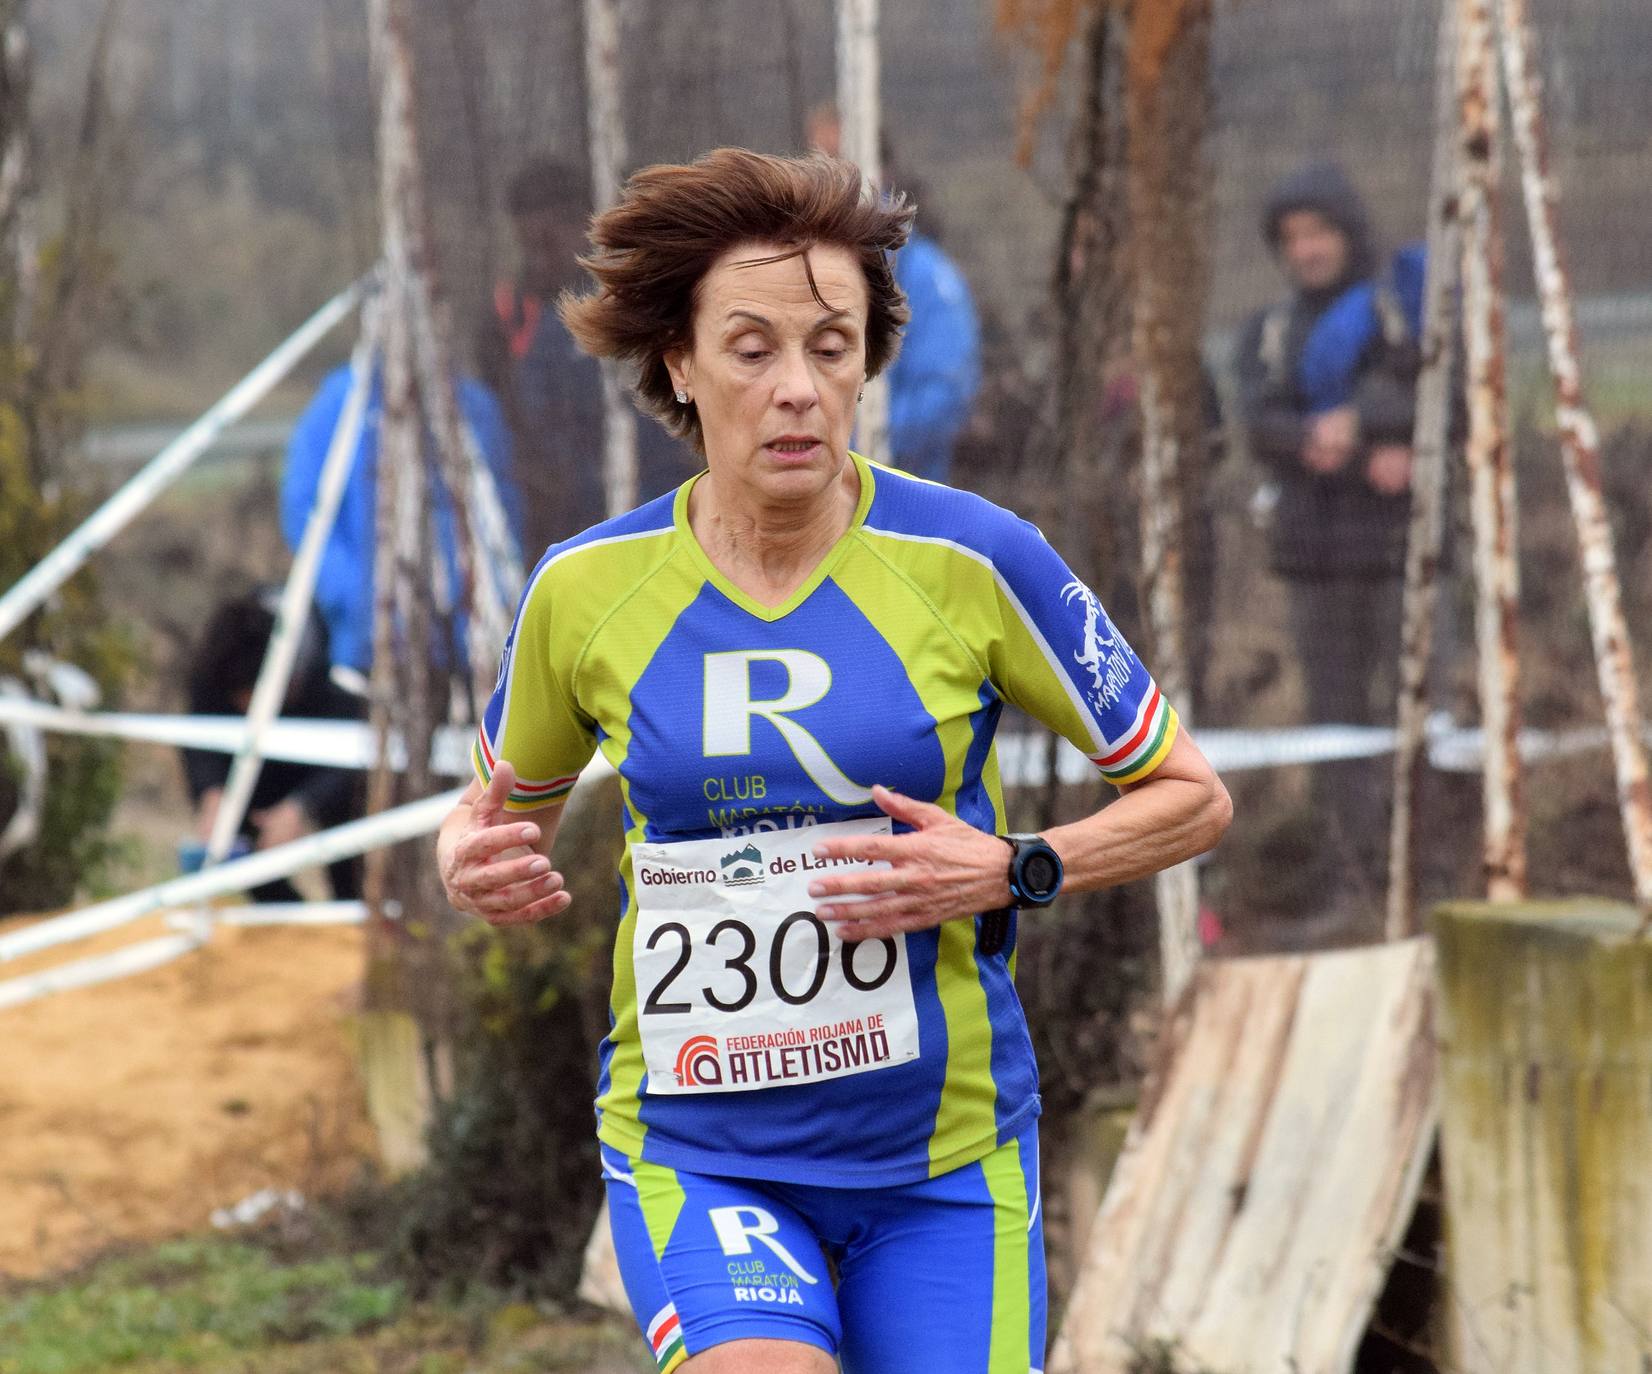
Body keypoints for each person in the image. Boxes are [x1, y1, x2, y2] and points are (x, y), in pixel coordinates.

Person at [436, 149, 1231, 1374]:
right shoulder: (583, 592)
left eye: (832, 346)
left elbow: (1189, 797)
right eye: (752, 350)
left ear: (867, 359)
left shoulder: (978, 559)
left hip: (944, 1160)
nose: (798, 388)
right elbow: (494, 813)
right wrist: (468, 857)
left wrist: (1014, 867)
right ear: (679, 365)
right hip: (701, 1150)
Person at [1234, 160, 1423, 921]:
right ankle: (1354, 880)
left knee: (1415, 716)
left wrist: (1378, 430)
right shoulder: (1274, 334)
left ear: (1348, 233)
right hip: (1314, 561)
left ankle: (1424, 874)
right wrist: (1307, 437)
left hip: (1399, 555)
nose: (1307, 250)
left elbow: (1431, 387)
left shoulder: (1397, 312)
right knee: (1336, 726)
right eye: (1293, 238)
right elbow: (1259, 416)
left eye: (1319, 233)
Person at [479, 157, 690, 551]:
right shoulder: (507, 317)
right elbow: (499, 420)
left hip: (646, 497)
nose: (542, 253)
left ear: (583, 225)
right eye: (531, 242)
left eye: (552, 236)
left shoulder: (630, 306)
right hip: (548, 514)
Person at [281, 360, 521, 685]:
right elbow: (304, 512)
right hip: (370, 652)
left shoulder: (472, 406)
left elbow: (504, 516)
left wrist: (497, 604)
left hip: (470, 650)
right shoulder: (343, 404)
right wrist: (357, 600)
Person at [806, 108, 982, 484]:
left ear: (877, 170)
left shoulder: (927, 278)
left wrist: (845, 442)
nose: (824, 181)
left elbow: (944, 395)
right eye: (814, 164)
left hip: (899, 494)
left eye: (838, 163)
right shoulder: (793, 269)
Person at [180, 588, 366, 902]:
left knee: (348, 834)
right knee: (236, 830)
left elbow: (355, 754)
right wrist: (211, 792)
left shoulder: (337, 672)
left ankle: (352, 914)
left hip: (326, 769)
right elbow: (200, 737)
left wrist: (303, 805)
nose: (246, 707)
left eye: (251, 698)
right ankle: (283, 915)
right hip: (253, 771)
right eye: (239, 700)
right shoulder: (219, 660)